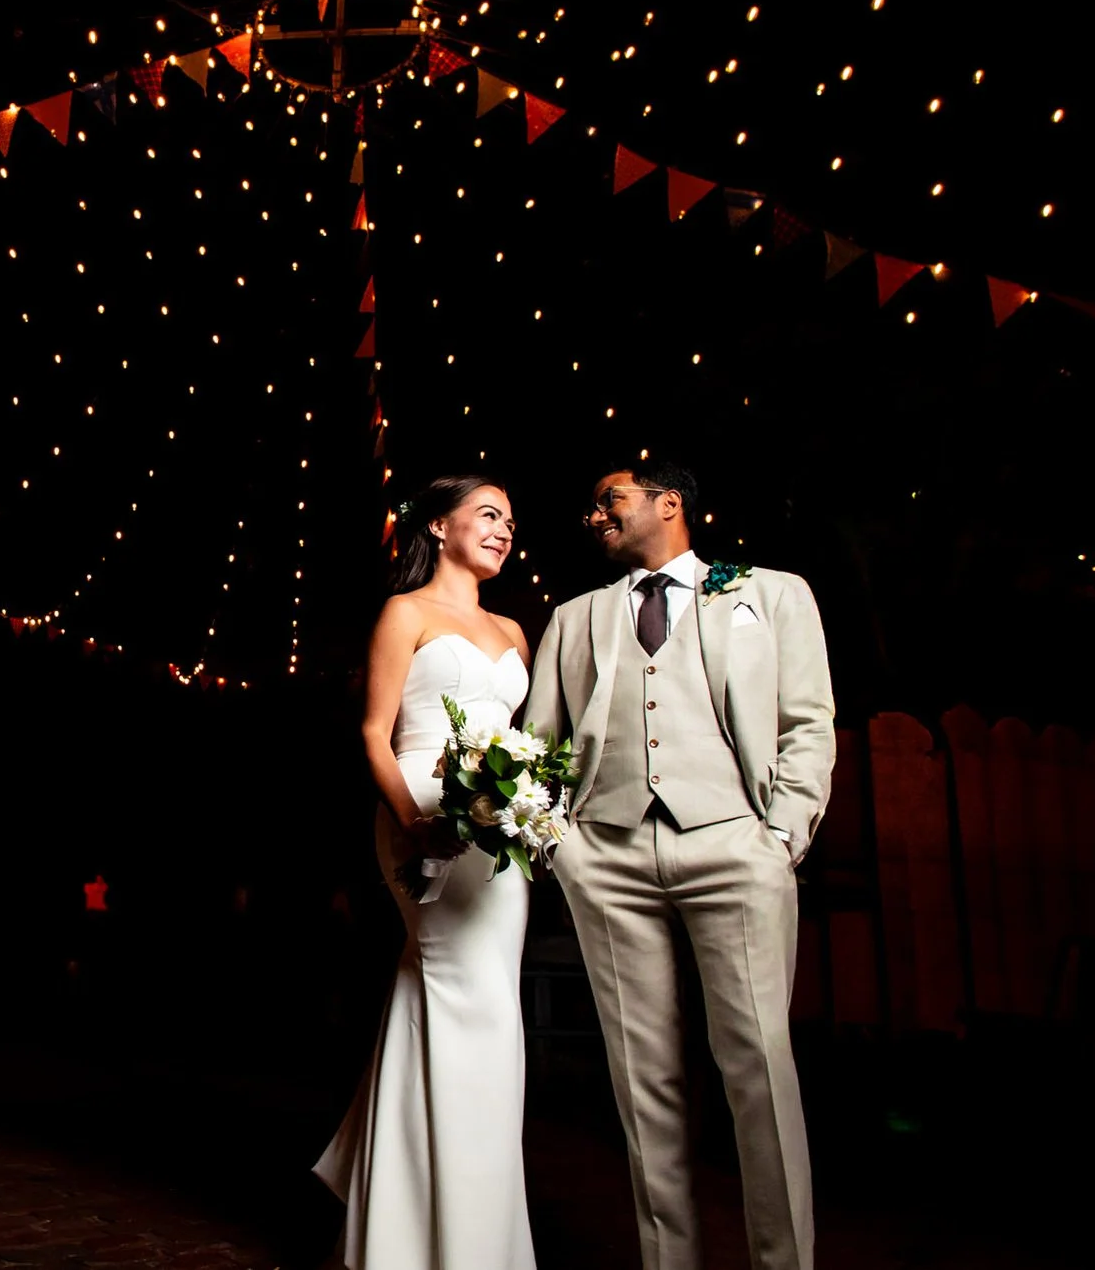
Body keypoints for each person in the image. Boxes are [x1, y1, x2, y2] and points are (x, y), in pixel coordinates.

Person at [522, 459, 835, 1270]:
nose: (596, 516)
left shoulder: (768, 592)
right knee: (642, 1082)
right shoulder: (575, 617)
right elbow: (542, 743)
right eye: (593, 505)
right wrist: (563, 844)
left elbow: (808, 720)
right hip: (608, 855)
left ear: (670, 502)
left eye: (611, 499)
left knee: (758, 1069)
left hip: (735, 843)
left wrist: (781, 835)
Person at [315, 474, 537, 1270]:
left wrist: (527, 807)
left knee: (477, 1006)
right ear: (440, 525)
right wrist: (412, 821)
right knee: (456, 993)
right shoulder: (404, 613)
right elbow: (375, 732)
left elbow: (520, 741)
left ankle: (411, 1228)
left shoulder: (515, 629)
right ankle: (464, 1240)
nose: (504, 529)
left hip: (499, 840)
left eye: (510, 521)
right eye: (488, 514)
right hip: (421, 816)